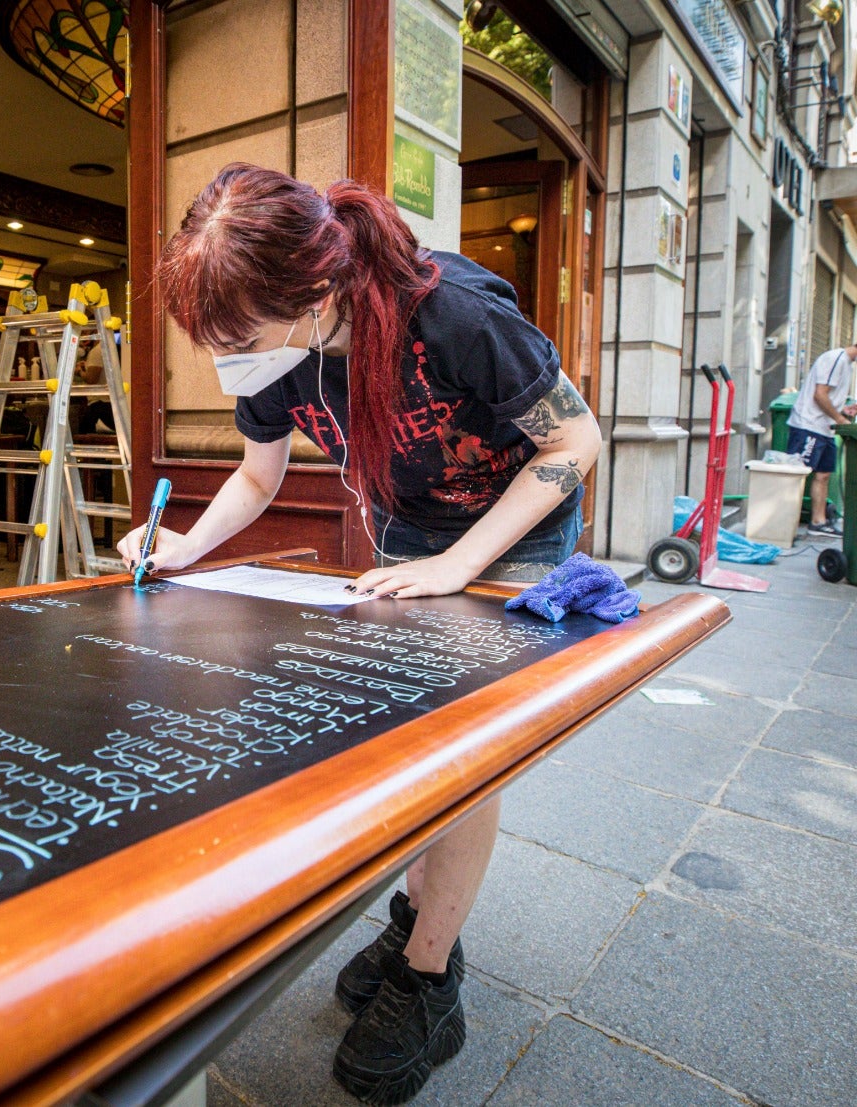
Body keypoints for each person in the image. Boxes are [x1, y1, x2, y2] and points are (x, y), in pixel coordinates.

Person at [118, 164, 601, 1106]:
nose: (233, 359)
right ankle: (421, 913)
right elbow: (259, 476)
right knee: (405, 734)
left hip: (513, 522)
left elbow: (574, 442)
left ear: (317, 294)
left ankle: (429, 976)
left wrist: (460, 567)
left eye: (244, 334)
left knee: (464, 745)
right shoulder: (272, 354)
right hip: (408, 532)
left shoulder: (453, 311)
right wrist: (185, 546)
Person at [786, 341, 857, 537]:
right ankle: (784, 524)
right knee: (797, 475)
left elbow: (828, 398)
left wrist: (843, 410)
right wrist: (840, 419)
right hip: (808, 425)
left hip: (825, 428)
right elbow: (820, 394)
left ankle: (818, 522)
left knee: (823, 475)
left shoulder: (847, 364)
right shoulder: (836, 359)